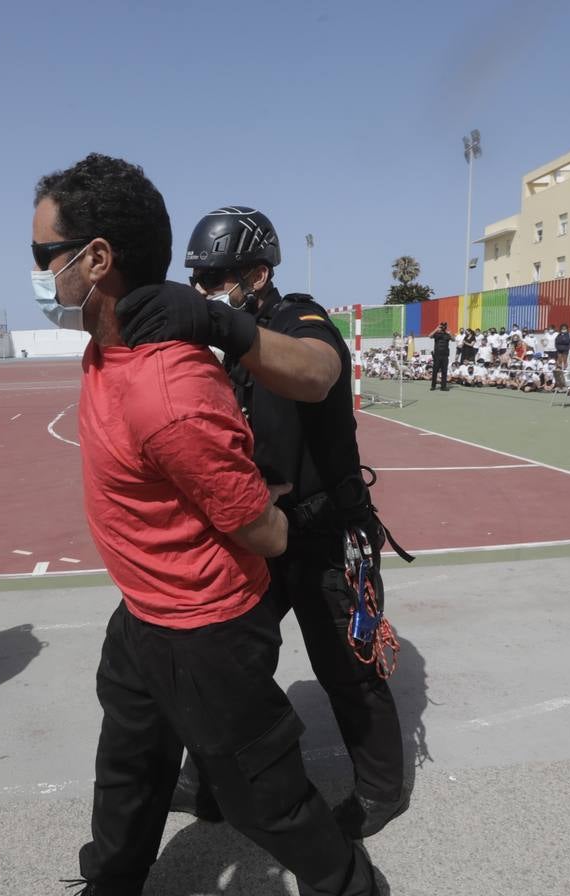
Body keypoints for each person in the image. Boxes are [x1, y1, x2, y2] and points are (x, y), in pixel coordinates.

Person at [38, 157, 379, 896]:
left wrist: (279, 512)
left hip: (205, 625)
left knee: (267, 790)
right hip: (144, 611)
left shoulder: (170, 384)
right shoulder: (109, 346)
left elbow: (265, 521)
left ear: (97, 258)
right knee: (128, 759)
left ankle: (348, 883)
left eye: (44, 256)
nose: (37, 273)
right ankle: (114, 878)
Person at [122, 203, 410, 839]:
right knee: (221, 661)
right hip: (262, 532)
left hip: (326, 533)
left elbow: (318, 373)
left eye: (213, 278)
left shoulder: (298, 320)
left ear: (255, 276)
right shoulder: (223, 344)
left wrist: (224, 325)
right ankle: (212, 783)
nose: (202, 291)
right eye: (195, 281)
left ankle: (382, 793)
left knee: (348, 669)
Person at [430, 321, 452, 390]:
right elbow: (429, 336)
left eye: (444, 326)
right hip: (437, 355)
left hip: (445, 355)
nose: (443, 327)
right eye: (442, 326)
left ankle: (443, 386)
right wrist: (436, 329)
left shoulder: (447, 334)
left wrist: (449, 331)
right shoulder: (437, 334)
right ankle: (433, 386)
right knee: (435, 371)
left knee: (444, 371)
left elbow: (454, 339)